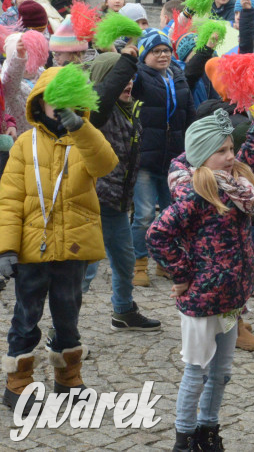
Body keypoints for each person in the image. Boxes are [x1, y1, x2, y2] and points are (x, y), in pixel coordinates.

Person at [147, 90, 254, 452]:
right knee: (197, 372)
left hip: (233, 296)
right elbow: (158, 234)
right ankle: (184, 437)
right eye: (221, 151)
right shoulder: (197, 191)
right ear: (202, 157)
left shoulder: (235, 179)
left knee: (222, 373)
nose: (230, 155)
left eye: (229, 148)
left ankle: (209, 430)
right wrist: (182, 274)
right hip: (204, 297)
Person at [0, 68, 118, 410]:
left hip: (73, 246)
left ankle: (68, 378)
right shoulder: (25, 143)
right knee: (26, 315)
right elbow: (9, 199)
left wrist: (81, 129)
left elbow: (106, 163)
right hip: (31, 249)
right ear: (39, 102)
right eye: (54, 99)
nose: (60, 106)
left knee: (68, 314)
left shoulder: (86, 139)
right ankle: (19, 381)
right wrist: (6, 248)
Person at [82, 50, 162, 331]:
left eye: (131, 78)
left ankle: (123, 311)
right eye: (121, 79)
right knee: (86, 269)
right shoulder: (94, 113)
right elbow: (102, 97)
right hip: (92, 201)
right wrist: (127, 60)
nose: (128, 83)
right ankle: (62, 328)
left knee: (125, 258)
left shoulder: (128, 110)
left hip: (116, 202)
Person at [131, 30, 195, 287]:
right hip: (146, 156)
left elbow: (189, 114)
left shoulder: (178, 76)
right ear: (145, 55)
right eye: (156, 51)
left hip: (173, 158)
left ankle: (164, 262)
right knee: (145, 214)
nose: (163, 55)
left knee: (172, 214)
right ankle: (139, 264)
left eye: (166, 50)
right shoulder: (139, 78)